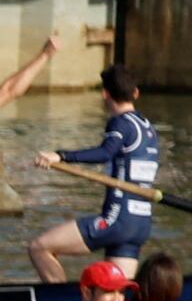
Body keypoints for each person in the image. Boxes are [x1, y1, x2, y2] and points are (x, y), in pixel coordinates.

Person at [33, 71, 158, 284]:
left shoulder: (120, 123)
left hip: (117, 219)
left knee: (40, 247)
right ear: (136, 93)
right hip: (140, 223)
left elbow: (105, 153)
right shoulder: (149, 129)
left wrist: (61, 156)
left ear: (105, 94)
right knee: (115, 291)